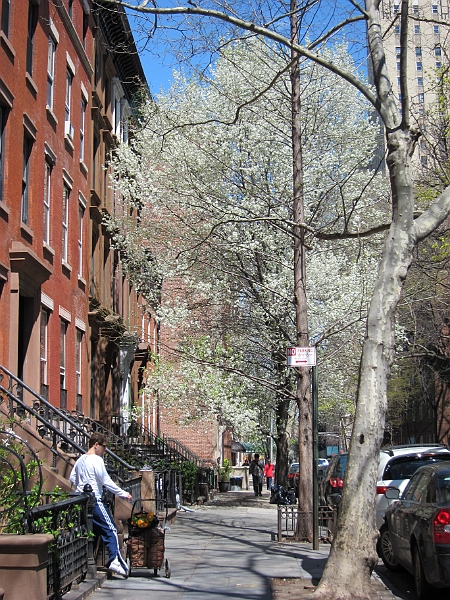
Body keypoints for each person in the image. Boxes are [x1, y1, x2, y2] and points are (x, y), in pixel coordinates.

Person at [70, 432, 132, 578]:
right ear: (96, 444)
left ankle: (88, 560)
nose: (105, 450)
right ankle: (114, 560)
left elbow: (72, 477)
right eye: (104, 447)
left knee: (92, 530)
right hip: (95, 500)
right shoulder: (96, 460)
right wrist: (123, 493)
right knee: (111, 527)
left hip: (81, 500)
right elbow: (106, 480)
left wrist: (80, 487)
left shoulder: (80, 460)